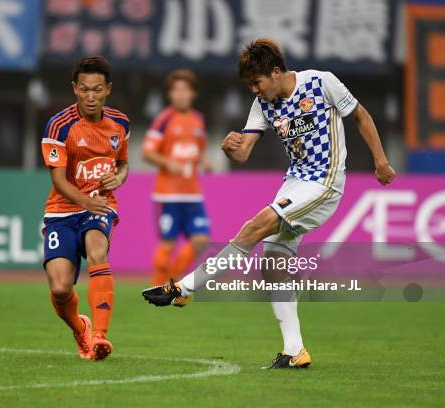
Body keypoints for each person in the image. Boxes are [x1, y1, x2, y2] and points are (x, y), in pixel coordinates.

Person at [142, 38, 395, 368]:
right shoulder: (263, 104)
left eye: (256, 82)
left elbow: (360, 115)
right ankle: (295, 351)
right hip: (294, 182)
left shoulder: (321, 82)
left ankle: (187, 287)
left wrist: (380, 161)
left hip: (325, 181)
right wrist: (230, 146)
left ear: (276, 72)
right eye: (249, 84)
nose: (254, 90)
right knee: (272, 264)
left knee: (254, 227)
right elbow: (244, 152)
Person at [41, 56, 130, 361]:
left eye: (97, 89)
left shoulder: (121, 123)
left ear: (108, 90)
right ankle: (82, 329)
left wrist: (117, 178)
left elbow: (123, 164)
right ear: (75, 89)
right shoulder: (59, 125)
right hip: (62, 211)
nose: (90, 96)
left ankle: (100, 338)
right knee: (61, 289)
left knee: (97, 252)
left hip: (100, 205)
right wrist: (84, 200)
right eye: (84, 89)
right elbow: (57, 178)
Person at [142, 69, 212, 286]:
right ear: (170, 94)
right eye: (176, 90)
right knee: (168, 243)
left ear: (193, 94)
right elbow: (147, 152)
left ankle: (173, 280)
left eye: (185, 90)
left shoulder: (199, 120)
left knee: (200, 240)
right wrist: (166, 162)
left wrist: (204, 161)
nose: (181, 94)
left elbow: (198, 151)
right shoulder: (164, 119)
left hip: (192, 195)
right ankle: (157, 285)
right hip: (168, 195)